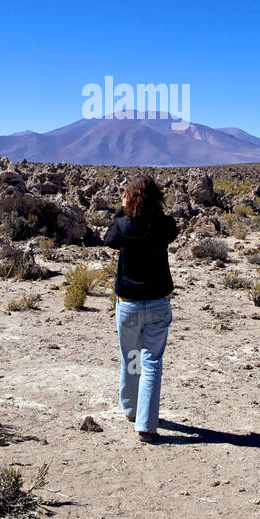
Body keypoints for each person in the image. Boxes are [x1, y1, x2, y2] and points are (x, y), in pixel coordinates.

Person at [103, 175, 179, 443]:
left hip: (129, 305)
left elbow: (107, 239)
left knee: (132, 356)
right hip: (158, 302)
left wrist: (123, 209)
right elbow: (172, 228)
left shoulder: (123, 225)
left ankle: (132, 409)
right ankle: (146, 424)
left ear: (130, 197)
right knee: (152, 361)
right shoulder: (164, 225)